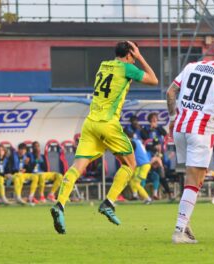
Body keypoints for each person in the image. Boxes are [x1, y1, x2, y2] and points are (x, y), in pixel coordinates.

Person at [50, 40, 158, 234]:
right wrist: (140, 57)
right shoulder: (127, 68)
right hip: (108, 124)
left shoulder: (103, 65)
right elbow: (153, 80)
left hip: (90, 123)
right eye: (133, 56)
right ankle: (108, 202)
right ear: (129, 55)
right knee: (130, 164)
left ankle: (60, 205)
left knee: (77, 167)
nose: (134, 60)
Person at [166, 45, 214, 244]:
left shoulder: (192, 66)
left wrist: (173, 118)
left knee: (190, 179)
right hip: (201, 130)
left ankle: (185, 224)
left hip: (180, 128)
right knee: (195, 181)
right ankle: (179, 231)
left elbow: (170, 93)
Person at [126, 131, 152, 204]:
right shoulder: (137, 141)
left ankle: (148, 198)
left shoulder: (132, 143)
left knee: (136, 183)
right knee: (131, 179)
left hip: (143, 165)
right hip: (141, 165)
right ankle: (135, 195)